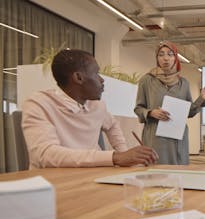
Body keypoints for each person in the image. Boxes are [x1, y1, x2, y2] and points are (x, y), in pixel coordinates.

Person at [22, 49, 158, 168]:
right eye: (96, 73)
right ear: (78, 77)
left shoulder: (97, 106)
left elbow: (112, 125)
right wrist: (116, 157)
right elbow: (45, 155)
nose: (102, 80)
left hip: (92, 176)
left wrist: (125, 155)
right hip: (53, 184)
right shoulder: (39, 104)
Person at [134, 41, 205, 164]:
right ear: (157, 58)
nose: (165, 58)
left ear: (175, 58)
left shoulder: (183, 83)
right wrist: (151, 112)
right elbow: (138, 108)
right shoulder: (146, 80)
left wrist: (202, 98)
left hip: (178, 136)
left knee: (179, 171)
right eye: (161, 54)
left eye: (170, 54)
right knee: (156, 171)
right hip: (155, 136)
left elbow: (189, 112)